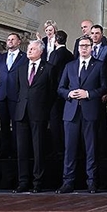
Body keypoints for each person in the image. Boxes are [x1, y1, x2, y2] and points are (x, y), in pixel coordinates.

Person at [57, 35, 107, 194]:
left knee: (91, 149)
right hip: (71, 112)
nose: (84, 48)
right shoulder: (70, 66)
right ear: (78, 48)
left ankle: (92, 182)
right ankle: (68, 182)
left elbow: (105, 86)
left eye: (87, 45)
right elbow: (60, 88)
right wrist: (69, 94)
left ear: (92, 47)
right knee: (69, 149)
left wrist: (88, 93)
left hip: (90, 111)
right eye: (81, 46)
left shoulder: (99, 65)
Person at [14, 40, 55, 193]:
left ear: (41, 51)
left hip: (39, 113)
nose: (29, 51)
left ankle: (38, 182)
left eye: (32, 49)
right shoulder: (21, 68)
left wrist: (45, 109)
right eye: (29, 49)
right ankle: (23, 181)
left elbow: (52, 92)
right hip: (22, 113)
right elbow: (18, 90)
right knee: (22, 149)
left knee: (38, 149)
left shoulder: (49, 68)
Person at [0, 32, 26, 159]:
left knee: (17, 125)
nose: (9, 41)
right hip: (1, 96)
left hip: (16, 97)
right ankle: (4, 150)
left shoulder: (25, 57)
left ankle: (17, 151)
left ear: (18, 42)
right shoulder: (0, 57)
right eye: (8, 39)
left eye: (12, 39)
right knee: (4, 125)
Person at [47, 30, 73, 159]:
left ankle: (58, 148)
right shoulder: (70, 54)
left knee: (55, 121)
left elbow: (50, 73)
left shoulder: (54, 54)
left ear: (55, 40)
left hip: (55, 93)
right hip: (67, 92)